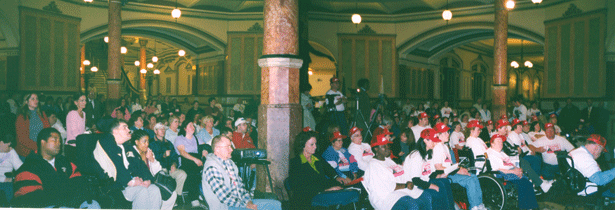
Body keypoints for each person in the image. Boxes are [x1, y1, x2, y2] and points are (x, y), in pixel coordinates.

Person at [13, 128, 99, 208]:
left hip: (70, 202)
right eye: (54, 140)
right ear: (43, 142)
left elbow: (79, 182)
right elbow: (32, 199)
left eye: (59, 141)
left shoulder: (64, 162)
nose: (59, 144)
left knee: (93, 204)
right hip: (51, 206)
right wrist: (65, 192)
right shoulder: (29, 168)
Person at [93, 120, 162, 209]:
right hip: (117, 186)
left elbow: (140, 164)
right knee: (142, 191)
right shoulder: (106, 142)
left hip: (130, 182)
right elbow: (117, 165)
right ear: (115, 131)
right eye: (124, 127)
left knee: (154, 189)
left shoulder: (127, 147)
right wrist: (131, 181)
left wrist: (147, 179)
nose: (129, 130)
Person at [203, 135, 282, 210]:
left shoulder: (229, 162)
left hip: (240, 203)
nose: (231, 149)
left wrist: (248, 200)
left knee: (276, 205)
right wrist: (246, 205)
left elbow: (240, 186)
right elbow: (224, 197)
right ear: (217, 149)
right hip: (226, 207)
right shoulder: (212, 168)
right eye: (228, 147)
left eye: (230, 146)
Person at [363, 134, 432, 210]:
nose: (388, 148)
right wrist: (406, 185)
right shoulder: (373, 165)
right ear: (376, 149)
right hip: (385, 197)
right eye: (384, 146)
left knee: (426, 196)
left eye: (388, 146)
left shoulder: (388, 160)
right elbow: (386, 187)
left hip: (400, 190)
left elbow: (401, 173)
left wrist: (409, 181)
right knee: (412, 205)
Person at [288, 131, 352, 208]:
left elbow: (328, 169)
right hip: (309, 197)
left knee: (345, 187)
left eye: (315, 144)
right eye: (312, 144)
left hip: (321, 190)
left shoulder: (316, 157)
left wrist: (336, 177)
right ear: (302, 146)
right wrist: (326, 190)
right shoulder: (296, 163)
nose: (315, 147)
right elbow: (302, 188)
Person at [431, 123, 487, 210]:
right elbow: (438, 167)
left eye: (448, 132)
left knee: (474, 176)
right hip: (445, 176)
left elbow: (450, 165)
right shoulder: (437, 147)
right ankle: (474, 206)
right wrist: (457, 170)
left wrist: (460, 168)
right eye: (445, 133)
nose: (448, 134)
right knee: (470, 180)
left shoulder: (445, 146)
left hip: (451, 172)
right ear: (438, 135)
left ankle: (479, 204)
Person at [403, 129, 455, 210]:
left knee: (444, 182)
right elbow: (415, 180)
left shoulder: (428, 153)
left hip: (425, 181)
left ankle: (451, 208)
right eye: (433, 141)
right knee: (437, 192)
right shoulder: (416, 155)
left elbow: (430, 173)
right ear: (425, 140)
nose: (435, 143)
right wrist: (431, 186)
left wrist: (440, 175)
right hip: (415, 186)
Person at [129, 130, 178, 209]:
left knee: (172, 194)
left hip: (152, 180)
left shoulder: (149, 152)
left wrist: (152, 159)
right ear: (136, 142)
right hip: (140, 182)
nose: (147, 144)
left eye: (148, 141)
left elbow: (158, 171)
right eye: (144, 142)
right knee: (154, 191)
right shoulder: (131, 153)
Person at [486, 134, 539, 209]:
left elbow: (510, 163)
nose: (501, 143)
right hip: (502, 175)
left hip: (510, 171)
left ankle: (530, 206)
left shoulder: (502, 153)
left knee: (527, 182)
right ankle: (526, 207)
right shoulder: (491, 153)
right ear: (492, 143)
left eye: (501, 142)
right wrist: (514, 172)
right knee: (524, 183)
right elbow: (497, 169)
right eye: (498, 141)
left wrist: (517, 169)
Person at [175, 121, 207, 208]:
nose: (193, 127)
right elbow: (182, 152)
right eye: (190, 126)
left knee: (202, 169)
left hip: (197, 161)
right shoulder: (180, 138)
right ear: (185, 128)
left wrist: (205, 150)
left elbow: (205, 146)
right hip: (186, 162)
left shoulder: (197, 138)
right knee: (193, 169)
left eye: (193, 126)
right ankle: (194, 198)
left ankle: (201, 195)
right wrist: (195, 160)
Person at [15, 93, 50, 157]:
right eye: (33, 99)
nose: (36, 101)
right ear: (26, 102)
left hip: (42, 150)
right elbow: (22, 139)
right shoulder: (22, 117)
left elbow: (48, 131)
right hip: (27, 152)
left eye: (37, 99)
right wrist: (39, 146)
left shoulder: (42, 114)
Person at [0, 134, 22, 203]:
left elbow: (21, 168)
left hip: (7, 182)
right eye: (8, 145)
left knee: (10, 192)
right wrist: (3, 179)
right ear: (1, 143)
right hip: (4, 180)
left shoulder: (11, 152)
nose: (10, 147)